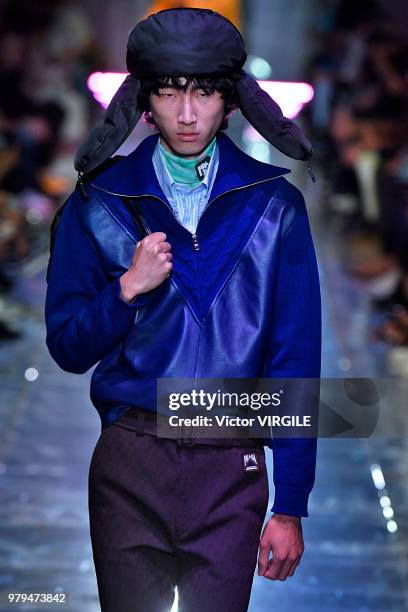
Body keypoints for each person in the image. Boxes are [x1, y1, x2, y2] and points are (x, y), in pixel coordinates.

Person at [45, 8, 321, 612]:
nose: (188, 114)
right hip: (129, 465)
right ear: (145, 101)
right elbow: (66, 346)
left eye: (203, 94)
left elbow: (294, 362)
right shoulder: (100, 202)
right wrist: (126, 289)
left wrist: (291, 503)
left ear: (232, 101)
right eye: (169, 94)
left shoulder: (275, 209)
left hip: (233, 466)